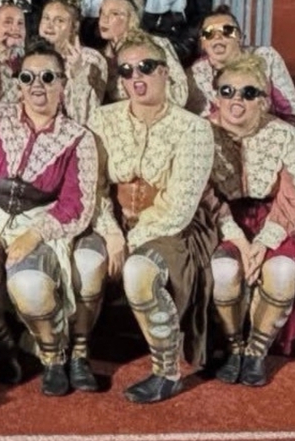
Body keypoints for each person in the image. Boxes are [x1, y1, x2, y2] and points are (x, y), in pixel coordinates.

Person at [0, 40, 101, 396]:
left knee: (30, 287)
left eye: (48, 77)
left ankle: (52, 355)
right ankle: (5, 345)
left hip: (41, 222)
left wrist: (34, 235)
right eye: (27, 77)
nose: (37, 85)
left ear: (63, 83)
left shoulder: (78, 138)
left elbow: (76, 204)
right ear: (17, 83)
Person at [88, 30, 216, 404]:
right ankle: (71, 356)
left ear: (166, 72)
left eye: (146, 67)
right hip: (109, 222)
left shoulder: (194, 128)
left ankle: (167, 371)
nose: (136, 77)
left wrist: (130, 242)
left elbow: (179, 206)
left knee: (139, 271)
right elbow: (91, 187)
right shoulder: (102, 118)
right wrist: (112, 233)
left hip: (168, 229)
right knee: (80, 264)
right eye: (126, 71)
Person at [206, 54, 295, 387]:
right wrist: (239, 240)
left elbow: (293, 197)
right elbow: (206, 197)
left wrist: (262, 243)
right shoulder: (201, 133)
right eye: (227, 91)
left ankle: (257, 350)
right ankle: (233, 348)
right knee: (225, 271)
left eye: (248, 92)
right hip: (224, 221)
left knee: (282, 271)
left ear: (264, 100)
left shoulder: (283, 135)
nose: (236, 99)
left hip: (275, 219)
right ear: (216, 96)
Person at [188, 6, 295, 128]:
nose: (217, 37)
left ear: (240, 38)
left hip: (269, 134)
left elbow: (293, 114)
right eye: (208, 33)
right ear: (202, 43)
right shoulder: (196, 74)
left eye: (227, 30)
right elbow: (202, 125)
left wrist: (285, 140)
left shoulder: (266, 57)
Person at [97, 0, 188, 107]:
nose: (104, 19)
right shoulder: (99, 57)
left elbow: (180, 94)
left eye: (115, 14)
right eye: (102, 12)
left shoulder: (156, 44)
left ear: (132, 18)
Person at [36, 0, 108, 124]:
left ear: (74, 26)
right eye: (46, 18)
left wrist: (78, 73)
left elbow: (86, 117)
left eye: (59, 21)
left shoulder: (92, 59)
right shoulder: (31, 57)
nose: (49, 26)